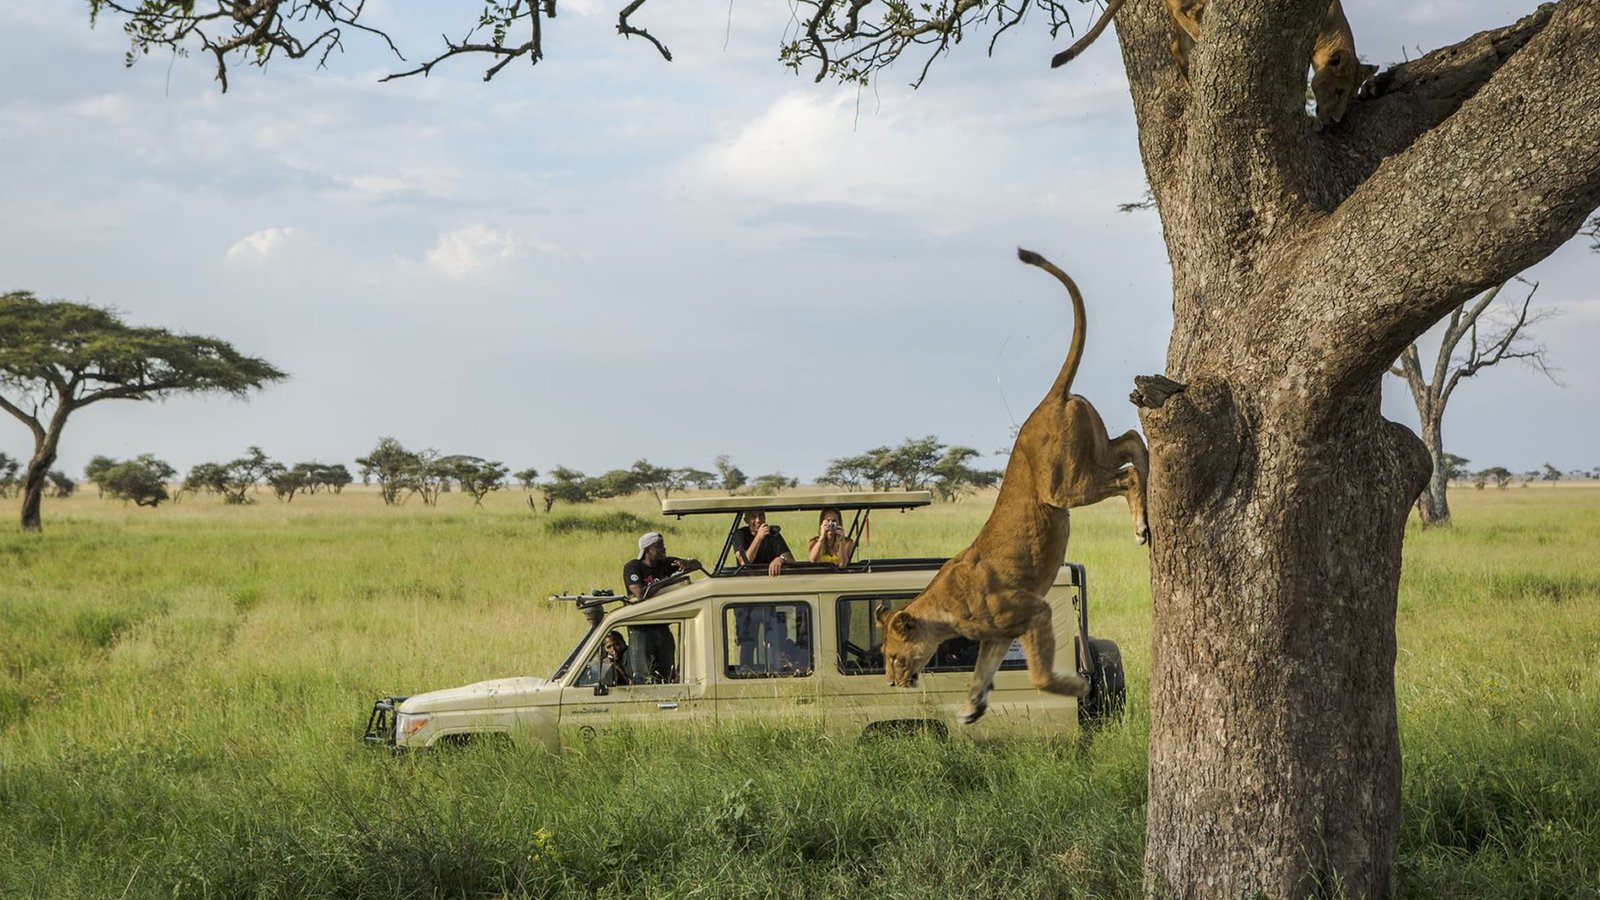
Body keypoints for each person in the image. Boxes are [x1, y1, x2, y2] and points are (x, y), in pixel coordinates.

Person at [622, 532, 701, 601]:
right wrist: (665, 581)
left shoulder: (666, 562)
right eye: (659, 547)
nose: (664, 549)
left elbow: (698, 565)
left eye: (663, 546)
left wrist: (687, 564)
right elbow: (640, 595)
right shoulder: (632, 568)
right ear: (647, 550)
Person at [733, 509, 793, 577]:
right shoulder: (739, 534)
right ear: (746, 520)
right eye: (753, 517)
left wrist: (781, 559)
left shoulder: (772, 534)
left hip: (770, 577)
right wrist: (758, 538)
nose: (758, 520)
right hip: (747, 578)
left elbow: (791, 560)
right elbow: (744, 562)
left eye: (760, 515)